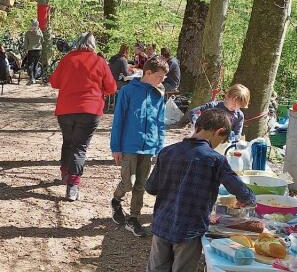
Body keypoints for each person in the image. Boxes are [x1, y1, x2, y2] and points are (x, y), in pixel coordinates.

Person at [145, 109, 255, 272]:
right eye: (221, 140)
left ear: (197, 126)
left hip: (162, 224)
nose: (218, 145)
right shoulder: (215, 159)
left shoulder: (167, 152)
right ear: (219, 132)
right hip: (190, 229)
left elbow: (151, 188)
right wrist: (250, 199)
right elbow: (238, 188)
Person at [49, 33, 117, 201]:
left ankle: (65, 173)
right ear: (93, 45)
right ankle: (72, 184)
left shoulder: (67, 59)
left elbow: (54, 82)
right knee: (79, 146)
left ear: (77, 43)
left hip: (66, 109)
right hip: (90, 110)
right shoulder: (99, 62)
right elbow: (111, 88)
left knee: (68, 142)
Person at [109, 57, 169, 236]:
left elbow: (160, 122)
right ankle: (116, 200)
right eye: (160, 76)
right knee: (129, 183)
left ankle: (133, 218)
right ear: (148, 73)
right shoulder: (127, 91)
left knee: (141, 185)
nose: (162, 80)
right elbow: (118, 121)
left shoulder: (158, 94)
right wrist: (116, 147)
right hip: (129, 145)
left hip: (149, 146)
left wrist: (159, 147)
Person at [22, 19, 43, 85]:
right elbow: (42, 40)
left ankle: (32, 78)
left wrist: (25, 49)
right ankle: (34, 78)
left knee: (30, 64)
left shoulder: (28, 33)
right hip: (38, 50)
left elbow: (25, 43)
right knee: (36, 64)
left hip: (31, 50)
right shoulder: (40, 32)